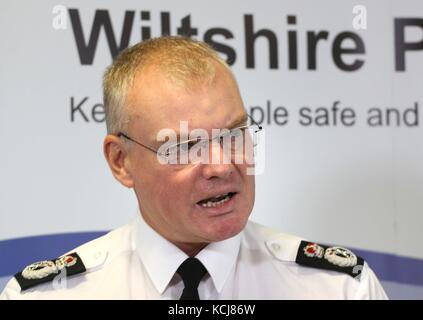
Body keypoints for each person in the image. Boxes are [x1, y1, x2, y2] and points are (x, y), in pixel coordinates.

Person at [1, 36, 387, 300]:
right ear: (121, 162)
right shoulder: (51, 293)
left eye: (234, 134)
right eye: (185, 146)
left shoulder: (338, 289)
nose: (221, 165)